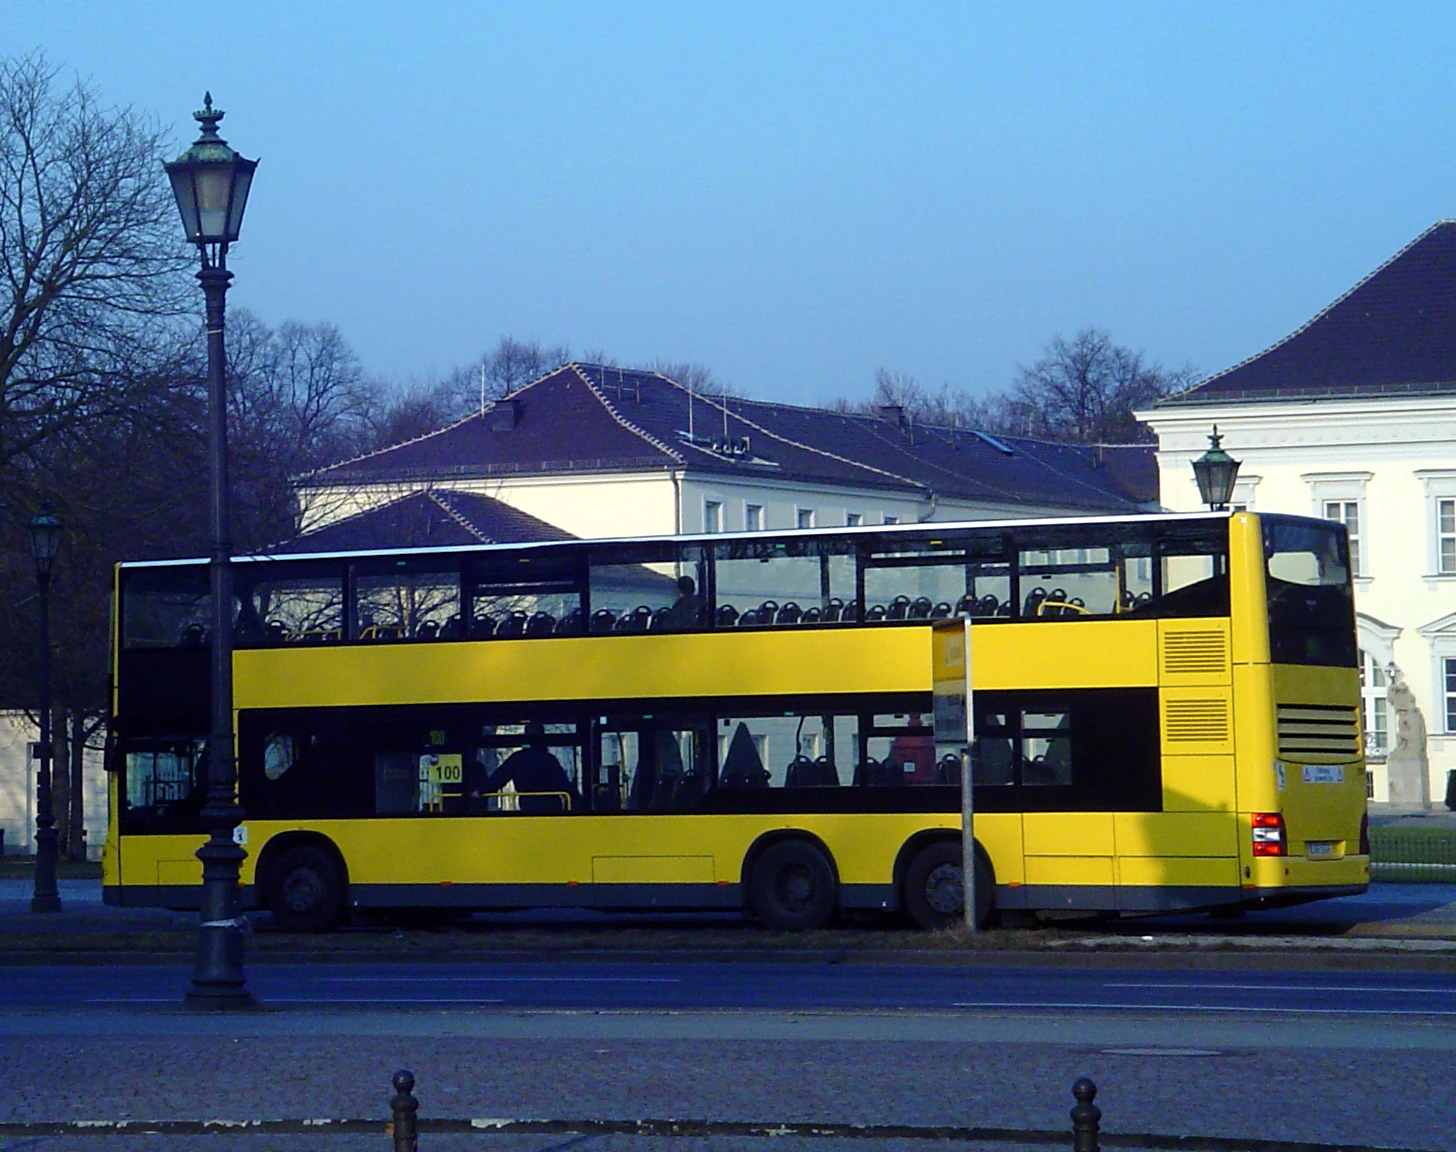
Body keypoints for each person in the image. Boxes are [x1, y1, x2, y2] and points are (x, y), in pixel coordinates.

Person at [478, 722, 579, 813]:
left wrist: (480, 791)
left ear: (525, 737)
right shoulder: (549, 760)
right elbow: (563, 784)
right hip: (551, 807)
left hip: (527, 807)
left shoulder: (518, 758)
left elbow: (498, 778)